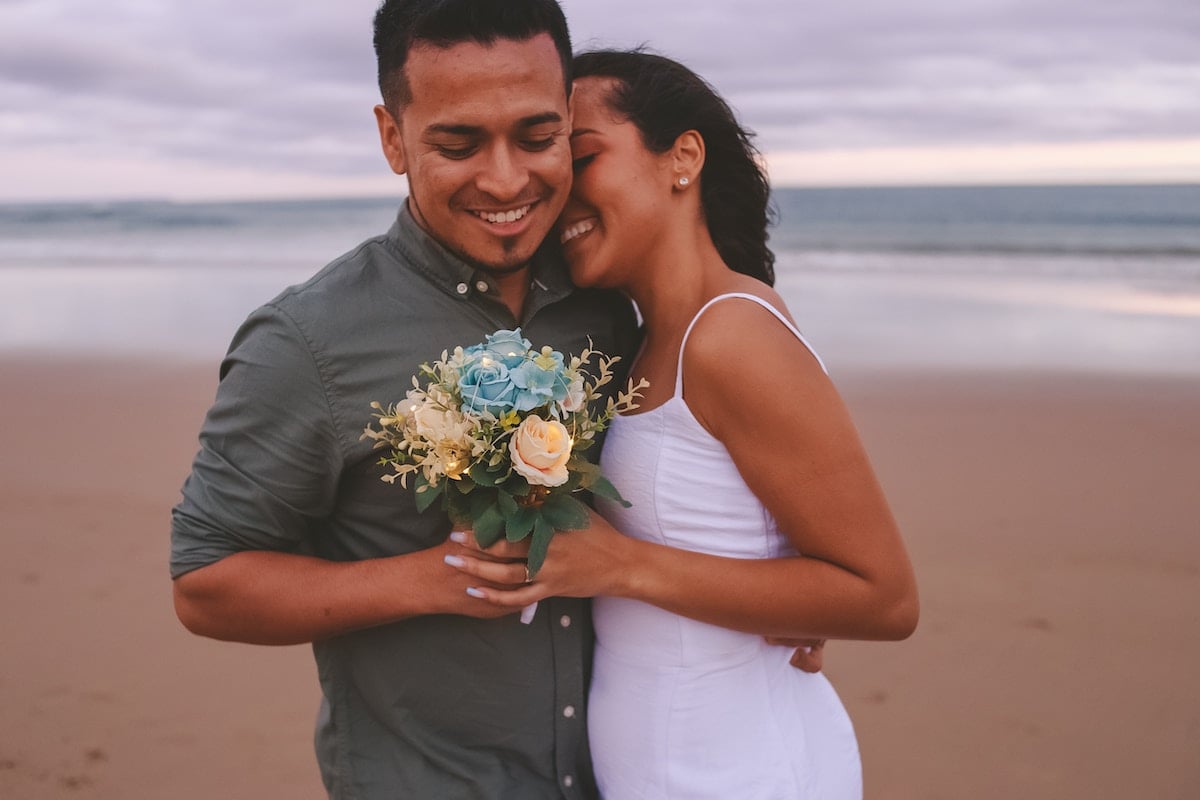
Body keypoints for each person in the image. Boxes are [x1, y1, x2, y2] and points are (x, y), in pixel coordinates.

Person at [169, 2, 641, 798]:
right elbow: (205, 583)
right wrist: (433, 577)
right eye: (458, 144)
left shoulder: (614, 296)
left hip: (634, 777)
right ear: (393, 137)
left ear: (569, 118)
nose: (506, 179)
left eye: (535, 137)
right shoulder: (306, 340)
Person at [449, 50, 920, 798]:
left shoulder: (733, 337)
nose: (561, 195)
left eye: (585, 157)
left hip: (748, 772)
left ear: (683, 159)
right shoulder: (639, 344)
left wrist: (621, 566)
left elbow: (884, 597)